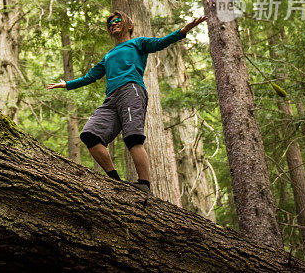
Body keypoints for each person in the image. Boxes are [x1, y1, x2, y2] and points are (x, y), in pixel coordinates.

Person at [47, 11, 206, 194]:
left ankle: (144, 185)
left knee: (132, 138)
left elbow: (160, 43)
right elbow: (90, 77)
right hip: (111, 99)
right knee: (90, 135)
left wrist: (182, 31)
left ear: (129, 25)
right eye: (110, 23)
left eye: (117, 20)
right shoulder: (108, 56)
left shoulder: (137, 43)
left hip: (131, 91)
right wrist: (67, 84)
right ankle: (115, 181)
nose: (113, 24)